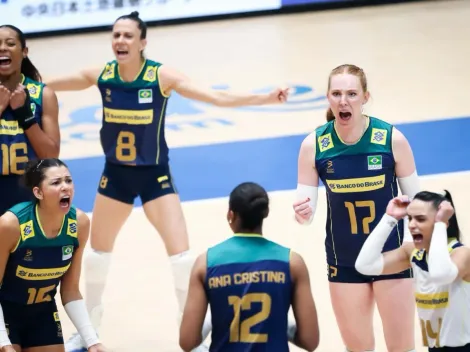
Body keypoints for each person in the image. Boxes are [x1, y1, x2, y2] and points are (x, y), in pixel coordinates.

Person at [45, 11, 289, 351]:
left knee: (181, 260)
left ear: (143, 42)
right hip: (115, 176)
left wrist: (263, 98)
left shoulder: (160, 76)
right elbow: (47, 82)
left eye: (128, 36)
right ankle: (89, 332)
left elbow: (215, 97)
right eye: (116, 35)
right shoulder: (103, 75)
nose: (120, 41)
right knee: (98, 255)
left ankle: (193, 336)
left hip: (154, 175)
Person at [293, 64, 421, 352]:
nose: (343, 101)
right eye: (336, 93)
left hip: (392, 259)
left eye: (352, 93)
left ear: (365, 97)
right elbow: (306, 213)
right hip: (344, 261)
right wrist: (302, 213)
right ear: (327, 97)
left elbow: (420, 202)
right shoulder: (313, 145)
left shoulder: (391, 140)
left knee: (402, 348)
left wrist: (421, 250)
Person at [179, 182, 320, 352]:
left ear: (230, 215)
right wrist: (279, 321)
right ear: (265, 213)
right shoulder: (292, 263)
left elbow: (187, 342)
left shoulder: (206, 263)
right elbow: (310, 341)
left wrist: (211, 320)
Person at [0, 158, 107, 352]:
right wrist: (3, 342)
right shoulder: (11, 225)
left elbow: (70, 291)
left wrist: (92, 341)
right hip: (4, 311)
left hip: (42, 312)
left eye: (68, 180)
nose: (65, 187)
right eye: (56, 182)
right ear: (38, 192)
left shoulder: (79, 224)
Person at [355, 191, 470, 351]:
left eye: (421, 219)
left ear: (442, 223)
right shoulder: (414, 253)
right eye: (410, 218)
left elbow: (441, 274)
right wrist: (390, 218)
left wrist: (440, 225)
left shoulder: (461, 254)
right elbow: (365, 265)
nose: (411, 225)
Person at [0, 25, 60, 216]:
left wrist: (25, 116)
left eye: (10, 43)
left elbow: (51, 155)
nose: (3, 48)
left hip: (29, 191)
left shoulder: (43, 94)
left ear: (24, 52)